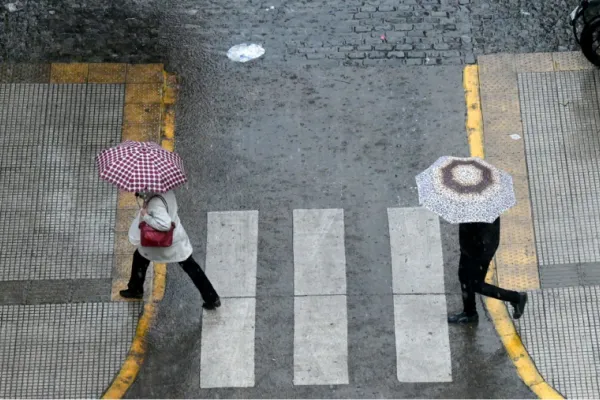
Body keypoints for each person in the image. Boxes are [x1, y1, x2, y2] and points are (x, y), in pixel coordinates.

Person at [121, 190, 221, 310]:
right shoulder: (168, 193)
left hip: (163, 242)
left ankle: (135, 289)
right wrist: (144, 197)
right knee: (191, 267)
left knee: (140, 258)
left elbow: (165, 225)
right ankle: (211, 297)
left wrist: (145, 216)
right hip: (177, 239)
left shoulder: (155, 202)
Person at [448, 217, 527, 324]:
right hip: (469, 245)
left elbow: (484, 234)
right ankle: (469, 313)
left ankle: (516, 298)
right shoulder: (470, 205)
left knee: (475, 284)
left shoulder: (481, 209)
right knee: (463, 276)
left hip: (480, 247)